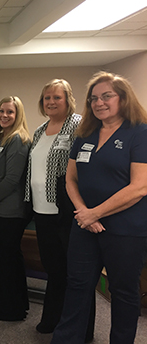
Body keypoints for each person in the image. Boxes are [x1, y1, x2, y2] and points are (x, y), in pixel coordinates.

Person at [51, 72, 147, 344]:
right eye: (94, 98)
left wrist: (96, 212)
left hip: (126, 230)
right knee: (78, 286)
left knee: (123, 291)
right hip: (85, 226)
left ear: (123, 98)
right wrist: (84, 212)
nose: (99, 102)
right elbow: (70, 178)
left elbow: (140, 186)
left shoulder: (140, 132)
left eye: (107, 96)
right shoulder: (86, 134)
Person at [24, 79, 95, 340]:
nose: (51, 102)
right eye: (47, 98)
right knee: (53, 269)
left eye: (57, 97)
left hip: (67, 210)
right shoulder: (40, 129)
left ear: (68, 100)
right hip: (42, 210)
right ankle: (53, 317)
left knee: (76, 272)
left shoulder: (78, 126)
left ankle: (81, 328)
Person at [0, 96, 31, 321]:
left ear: (18, 114)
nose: (4, 115)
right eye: (1, 111)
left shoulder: (18, 140)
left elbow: (13, 178)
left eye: (10, 112)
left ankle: (10, 310)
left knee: (7, 259)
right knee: (7, 258)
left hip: (10, 209)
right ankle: (17, 304)